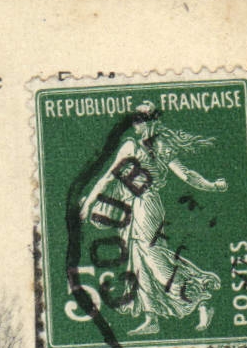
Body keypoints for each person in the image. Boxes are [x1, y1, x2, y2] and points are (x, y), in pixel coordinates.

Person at [79, 102, 226, 335]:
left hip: (148, 205)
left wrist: (213, 186)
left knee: (155, 261)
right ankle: (152, 318)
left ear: (153, 121)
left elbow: (186, 174)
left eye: (142, 120)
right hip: (132, 207)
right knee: (138, 261)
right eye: (135, 120)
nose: (137, 124)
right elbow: (108, 177)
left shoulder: (161, 146)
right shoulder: (129, 146)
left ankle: (200, 298)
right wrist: (87, 204)